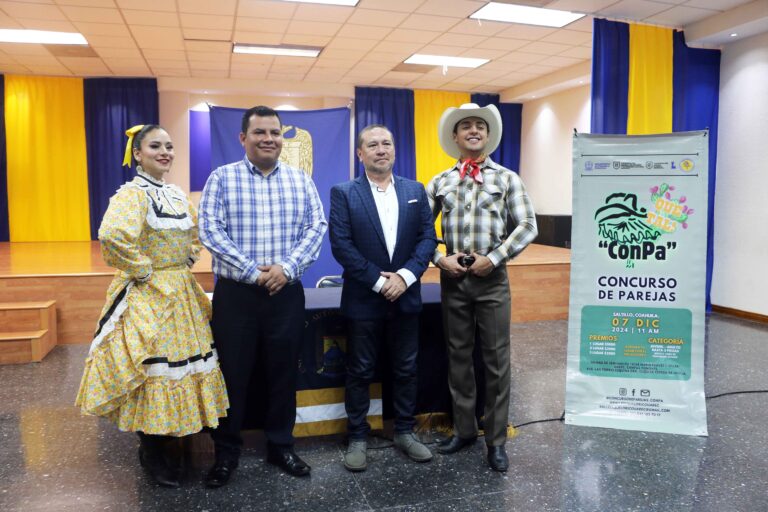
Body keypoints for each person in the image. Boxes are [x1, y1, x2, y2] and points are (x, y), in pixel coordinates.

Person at [76, 124, 229, 488]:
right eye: (155, 146)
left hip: (180, 290)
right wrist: (144, 269)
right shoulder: (133, 194)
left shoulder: (175, 194)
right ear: (138, 154)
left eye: (169, 146)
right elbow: (112, 235)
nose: (165, 152)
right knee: (153, 369)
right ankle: (152, 451)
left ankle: (173, 439)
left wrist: (185, 262)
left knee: (182, 365)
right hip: (149, 292)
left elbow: (195, 235)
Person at [198, 105, 327, 486]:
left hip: (286, 294)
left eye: (275, 132)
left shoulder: (300, 180)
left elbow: (316, 227)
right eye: (260, 133)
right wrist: (253, 272)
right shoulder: (222, 178)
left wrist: (286, 268)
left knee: (283, 373)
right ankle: (226, 454)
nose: (269, 139)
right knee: (232, 375)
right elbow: (210, 231)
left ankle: (281, 446)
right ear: (243, 138)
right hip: (237, 296)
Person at [426, 104, 538, 472]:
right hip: (453, 281)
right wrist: (440, 258)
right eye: (466, 127)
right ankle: (463, 430)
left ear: (487, 136)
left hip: (492, 281)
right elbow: (421, 232)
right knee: (458, 359)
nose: (473, 131)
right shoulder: (440, 181)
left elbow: (527, 226)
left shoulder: (507, 179)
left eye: (479, 126)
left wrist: (498, 256)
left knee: (495, 361)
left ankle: (496, 440)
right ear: (455, 137)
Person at [329, 125, 437, 472]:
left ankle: (404, 432)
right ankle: (357, 436)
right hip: (364, 297)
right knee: (360, 371)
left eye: (386, 143)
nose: (380, 149)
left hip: (405, 296)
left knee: (406, 369)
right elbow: (341, 245)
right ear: (360, 154)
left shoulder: (415, 190)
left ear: (394, 150)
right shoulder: (344, 193)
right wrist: (379, 282)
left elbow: (427, 239)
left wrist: (405, 277)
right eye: (372, 145)